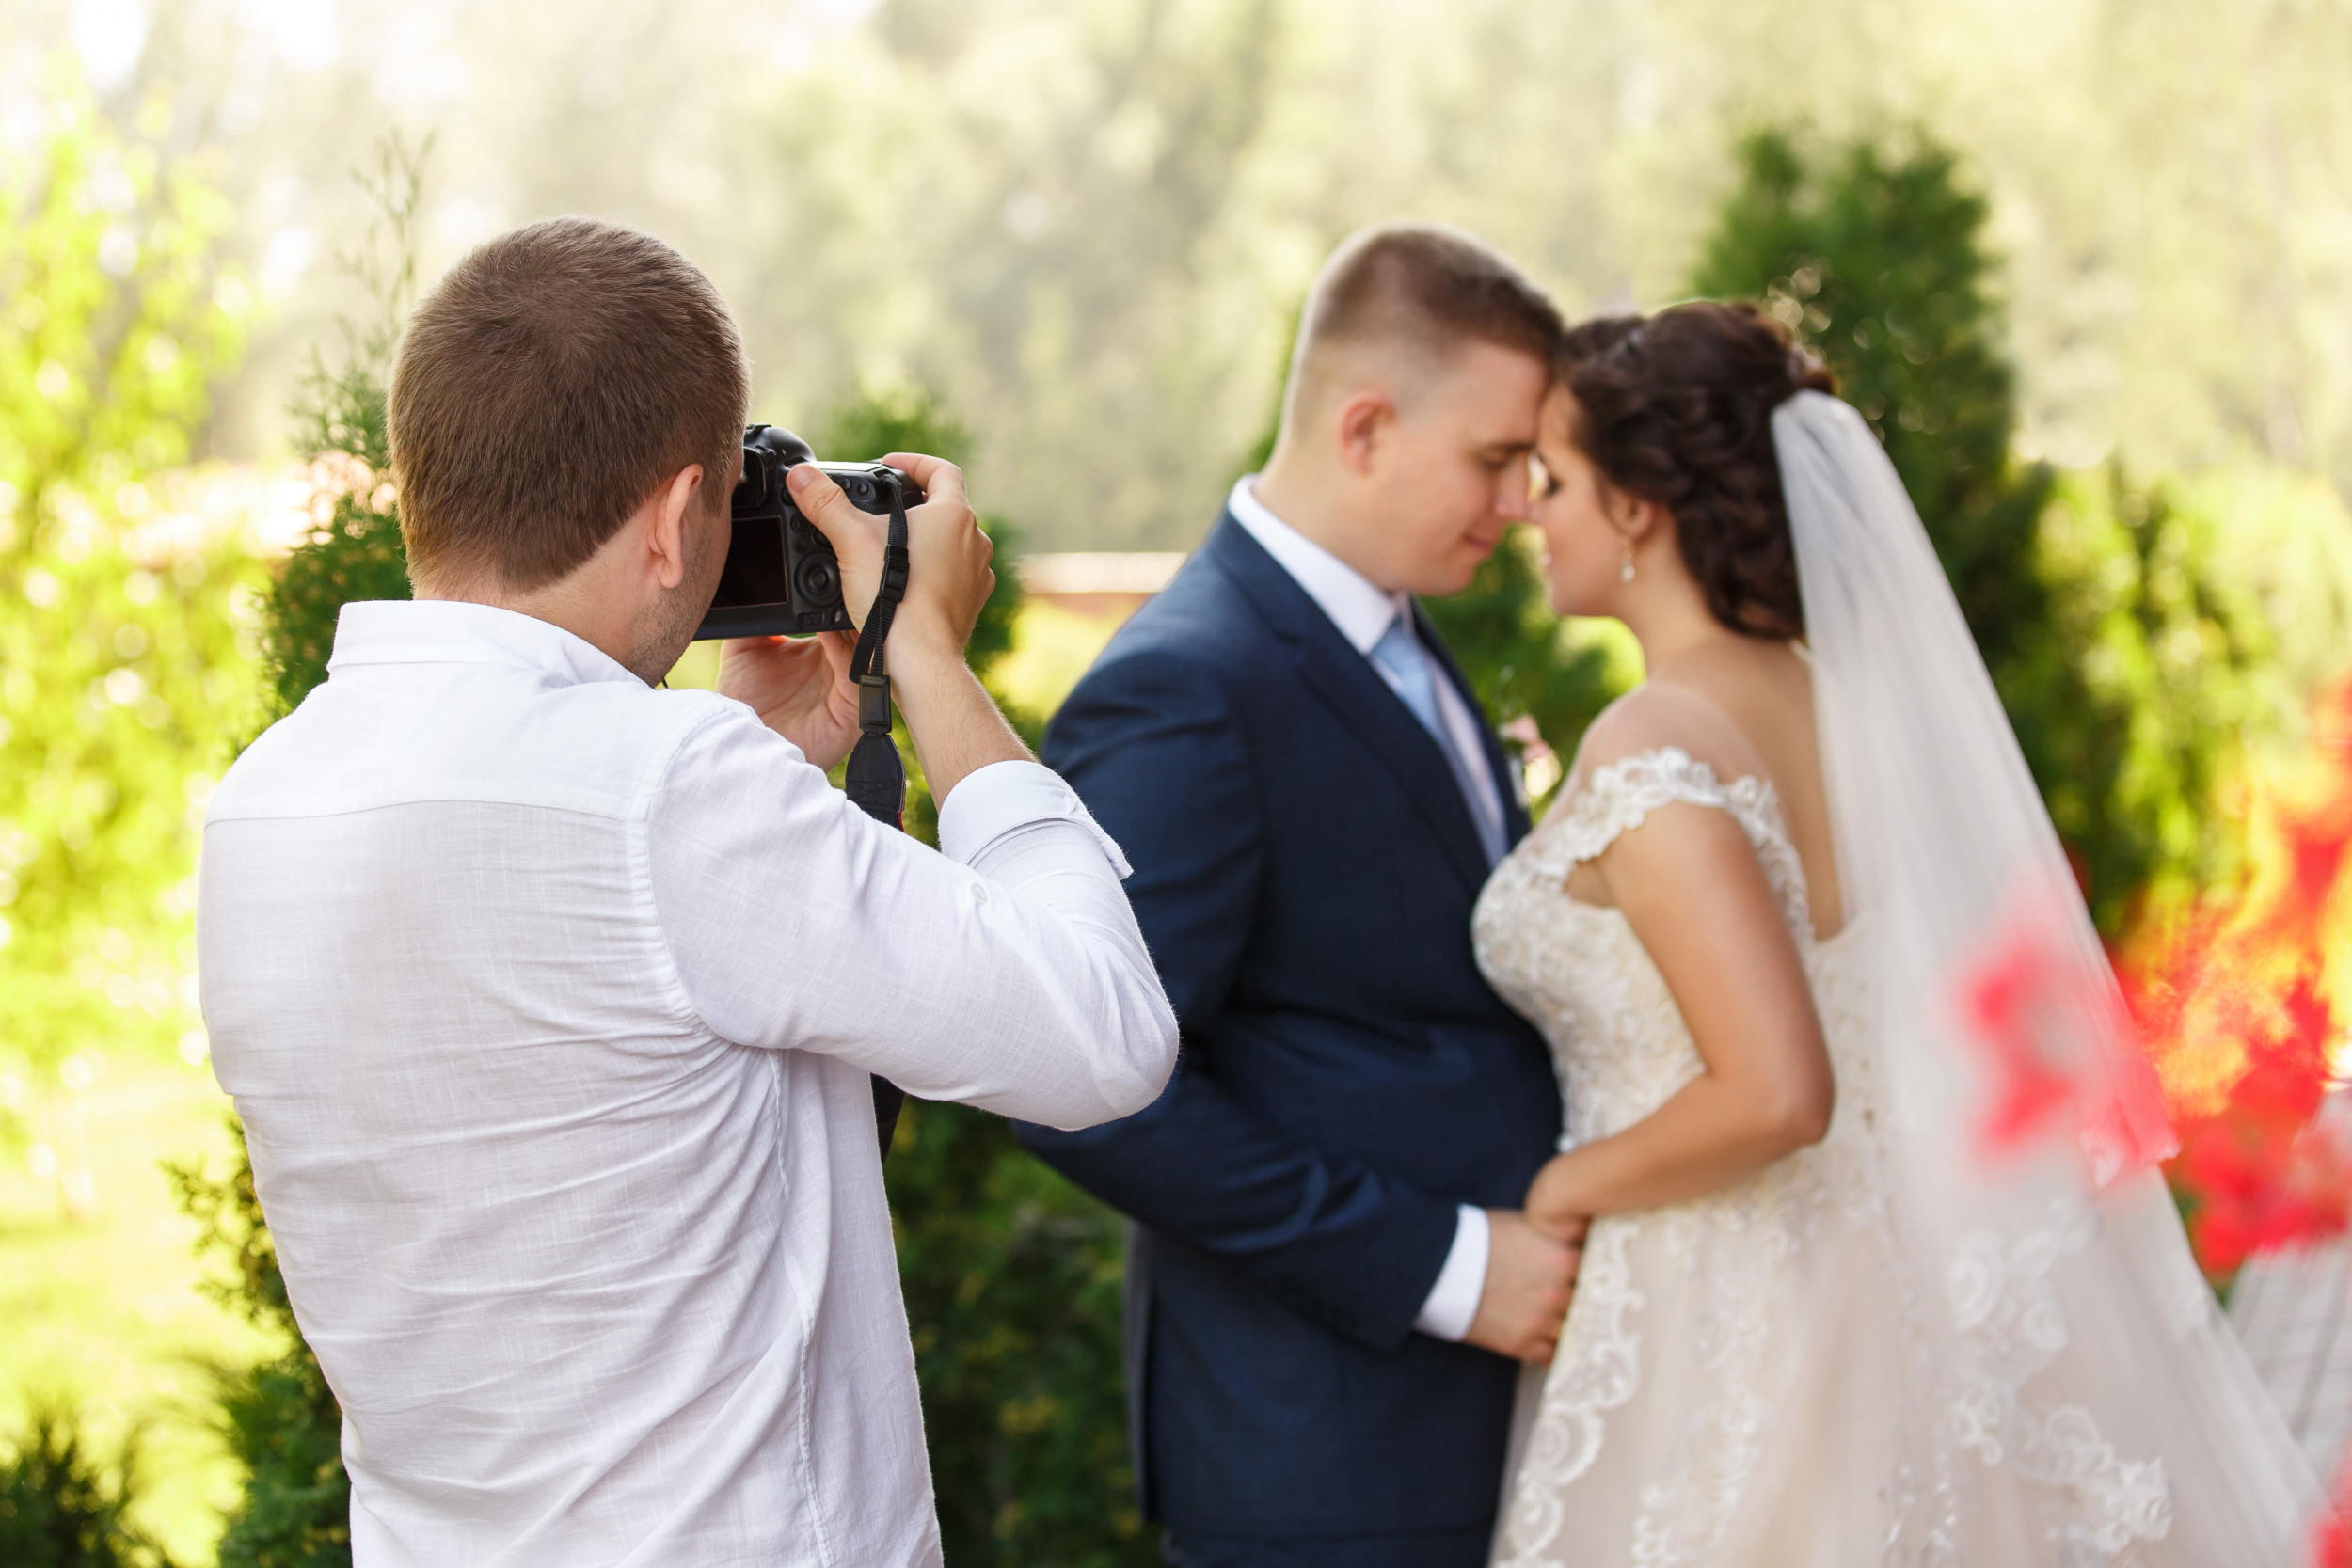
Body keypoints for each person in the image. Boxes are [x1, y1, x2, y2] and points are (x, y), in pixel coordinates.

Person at [196, 217, 1179, 1568]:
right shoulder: (664, 795)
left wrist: (769, 755)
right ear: (672, 521)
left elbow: (600, 1053)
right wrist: (932, 659)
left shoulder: (265, 796)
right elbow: (1106, 1035)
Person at [1479, 300, 2321, 1564]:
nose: (1529, 515)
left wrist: (1559, 1187)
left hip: (1723, 1300)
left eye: (1556, 480)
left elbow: (1774, 1091)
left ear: (1638, 509)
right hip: (1899, 1277)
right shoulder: (1860, 717)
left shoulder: (1651, 745)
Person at [1016, 224, 1583, 1568]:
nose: (1519, 507)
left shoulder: (1399, 628)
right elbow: (1084, 1084)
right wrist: (1445, 1268)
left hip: (1467, 1430)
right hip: (1323, 1456)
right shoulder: (1188, 686)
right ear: (1368, 425)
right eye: (1498, 460)